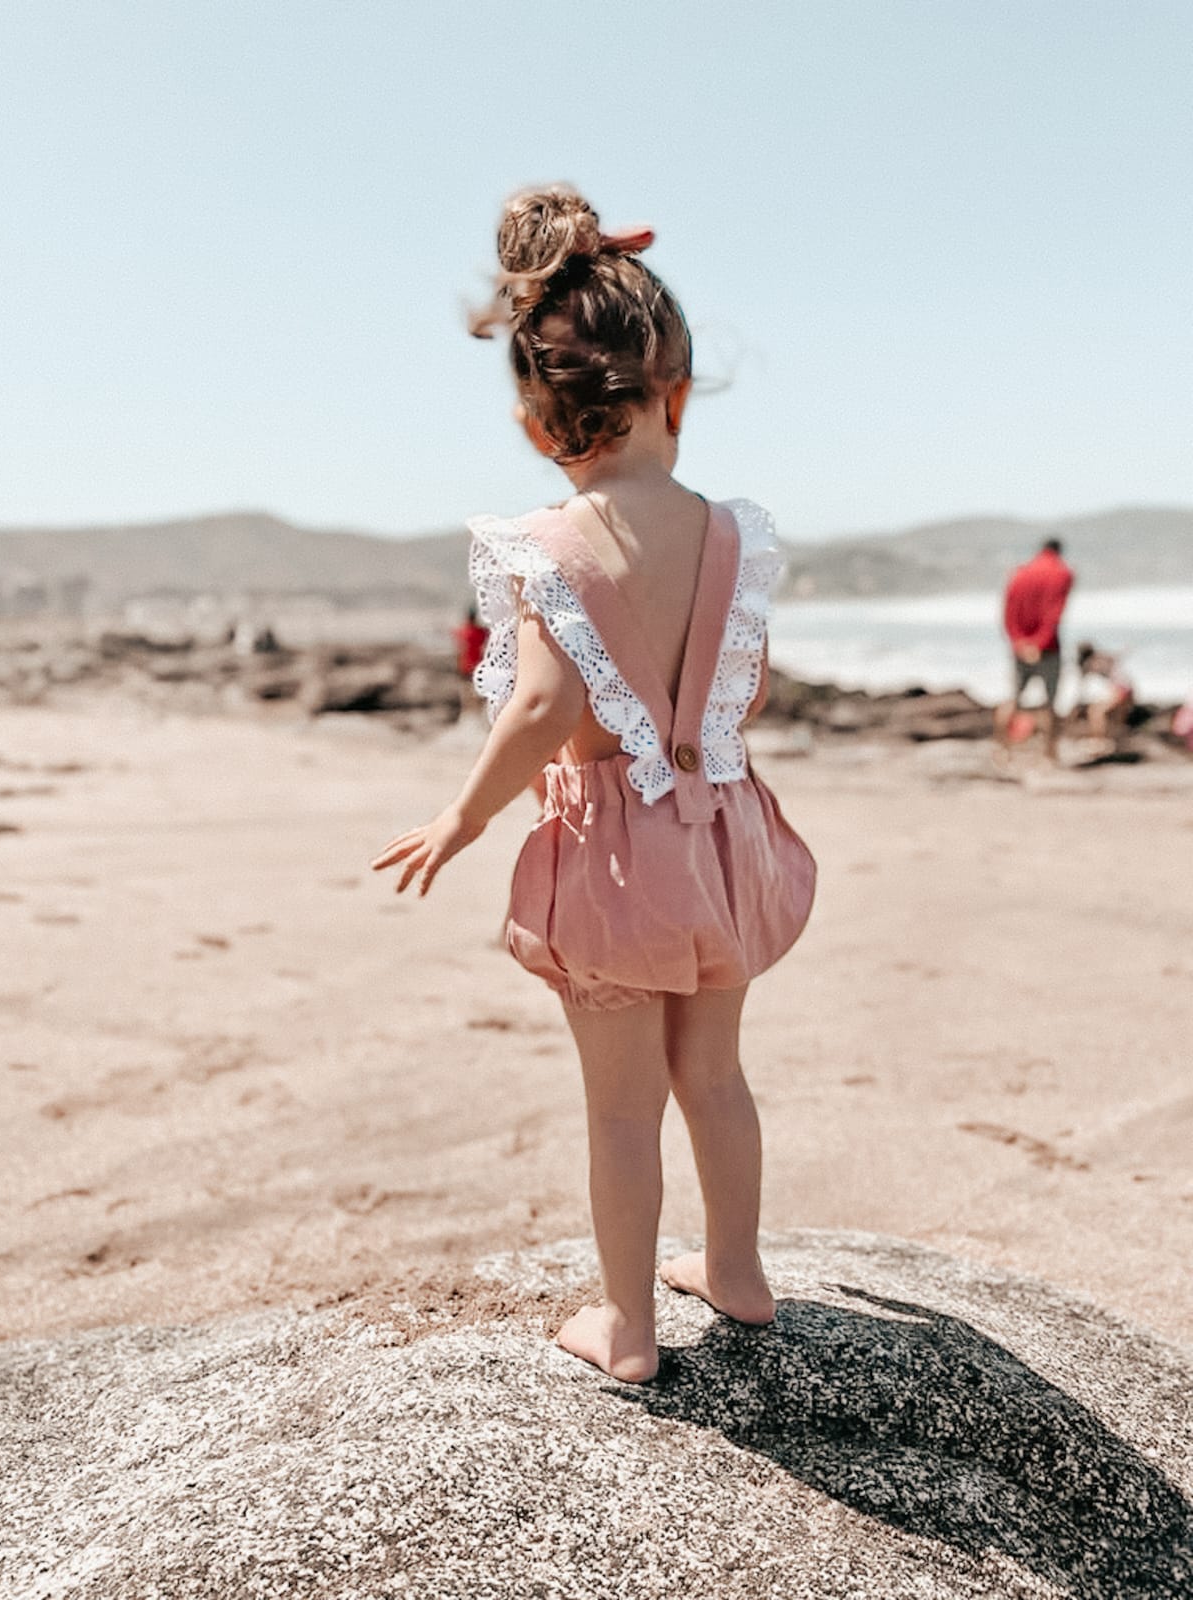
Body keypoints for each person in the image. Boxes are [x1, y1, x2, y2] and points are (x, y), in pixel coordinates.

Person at [370, 185, 816, 1383]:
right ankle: (738, 1271)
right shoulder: (732, 534)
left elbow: (546, 707)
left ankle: (627, 1326)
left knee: (621, 1105)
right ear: (676, 392)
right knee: (714, 1072)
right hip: (723, 839)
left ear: (537, 425)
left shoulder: (553, 549)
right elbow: (747, 692)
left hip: (616, 864)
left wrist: (464, 816)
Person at [994, 537, 1075, 761]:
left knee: (1013, 700)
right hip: (1047, 648)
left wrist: (1019, 642)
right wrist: (1039, 643)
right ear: (1059, 551)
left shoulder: (1019, 573)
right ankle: (1050, 754)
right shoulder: (1062, 573)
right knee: (1050, 704)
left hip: (1020, 648)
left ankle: (1003, 750)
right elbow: (1054, 614)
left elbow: (1008, 614)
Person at [1073, 641, 1135, 749]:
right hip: (1126, 689)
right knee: (1114, 716)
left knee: (1095, 712)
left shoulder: (1091, 662)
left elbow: (1082, 686)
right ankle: (1115, 741)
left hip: (1120, 689)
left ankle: (1098, 741)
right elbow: (1118, 657)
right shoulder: (1102, 657)